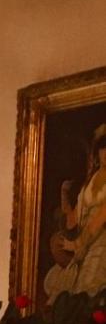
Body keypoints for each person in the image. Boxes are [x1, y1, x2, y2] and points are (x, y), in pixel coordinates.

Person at [56, 122, 106, 295]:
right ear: (97, 151)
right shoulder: (90, 181)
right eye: (103, 148)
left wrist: (76, 245)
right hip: (84, 243)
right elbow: (73, 220)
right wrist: (64, 195)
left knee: (88, 288)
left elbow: (98, 221)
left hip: (101, 242)